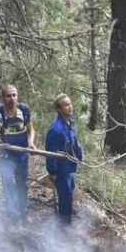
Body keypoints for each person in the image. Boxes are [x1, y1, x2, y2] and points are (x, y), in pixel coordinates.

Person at [0, 85, 35, 221]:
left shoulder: (24, 109)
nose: (12, 98)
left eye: (14, 95)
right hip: (4, 154)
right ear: (2, 98)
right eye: (8, 95)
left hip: (22, 153)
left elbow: (31, 129)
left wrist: (30, 143)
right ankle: (12, 213)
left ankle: (22, 210)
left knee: (22, 182)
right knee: (8, 182)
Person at [45, 94, 83, 225]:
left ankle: (66, 220)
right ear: (59, 109)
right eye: (66, 105)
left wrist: (79, 155)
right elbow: (51, 153)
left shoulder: (69, 121)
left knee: (69, 195)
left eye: (70, 104)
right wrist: (52, 172)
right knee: (65, 198)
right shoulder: (56, 130)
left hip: (70, 166)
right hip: (61, 170)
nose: (70, 107)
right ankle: (64, 227)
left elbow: (74, 141)